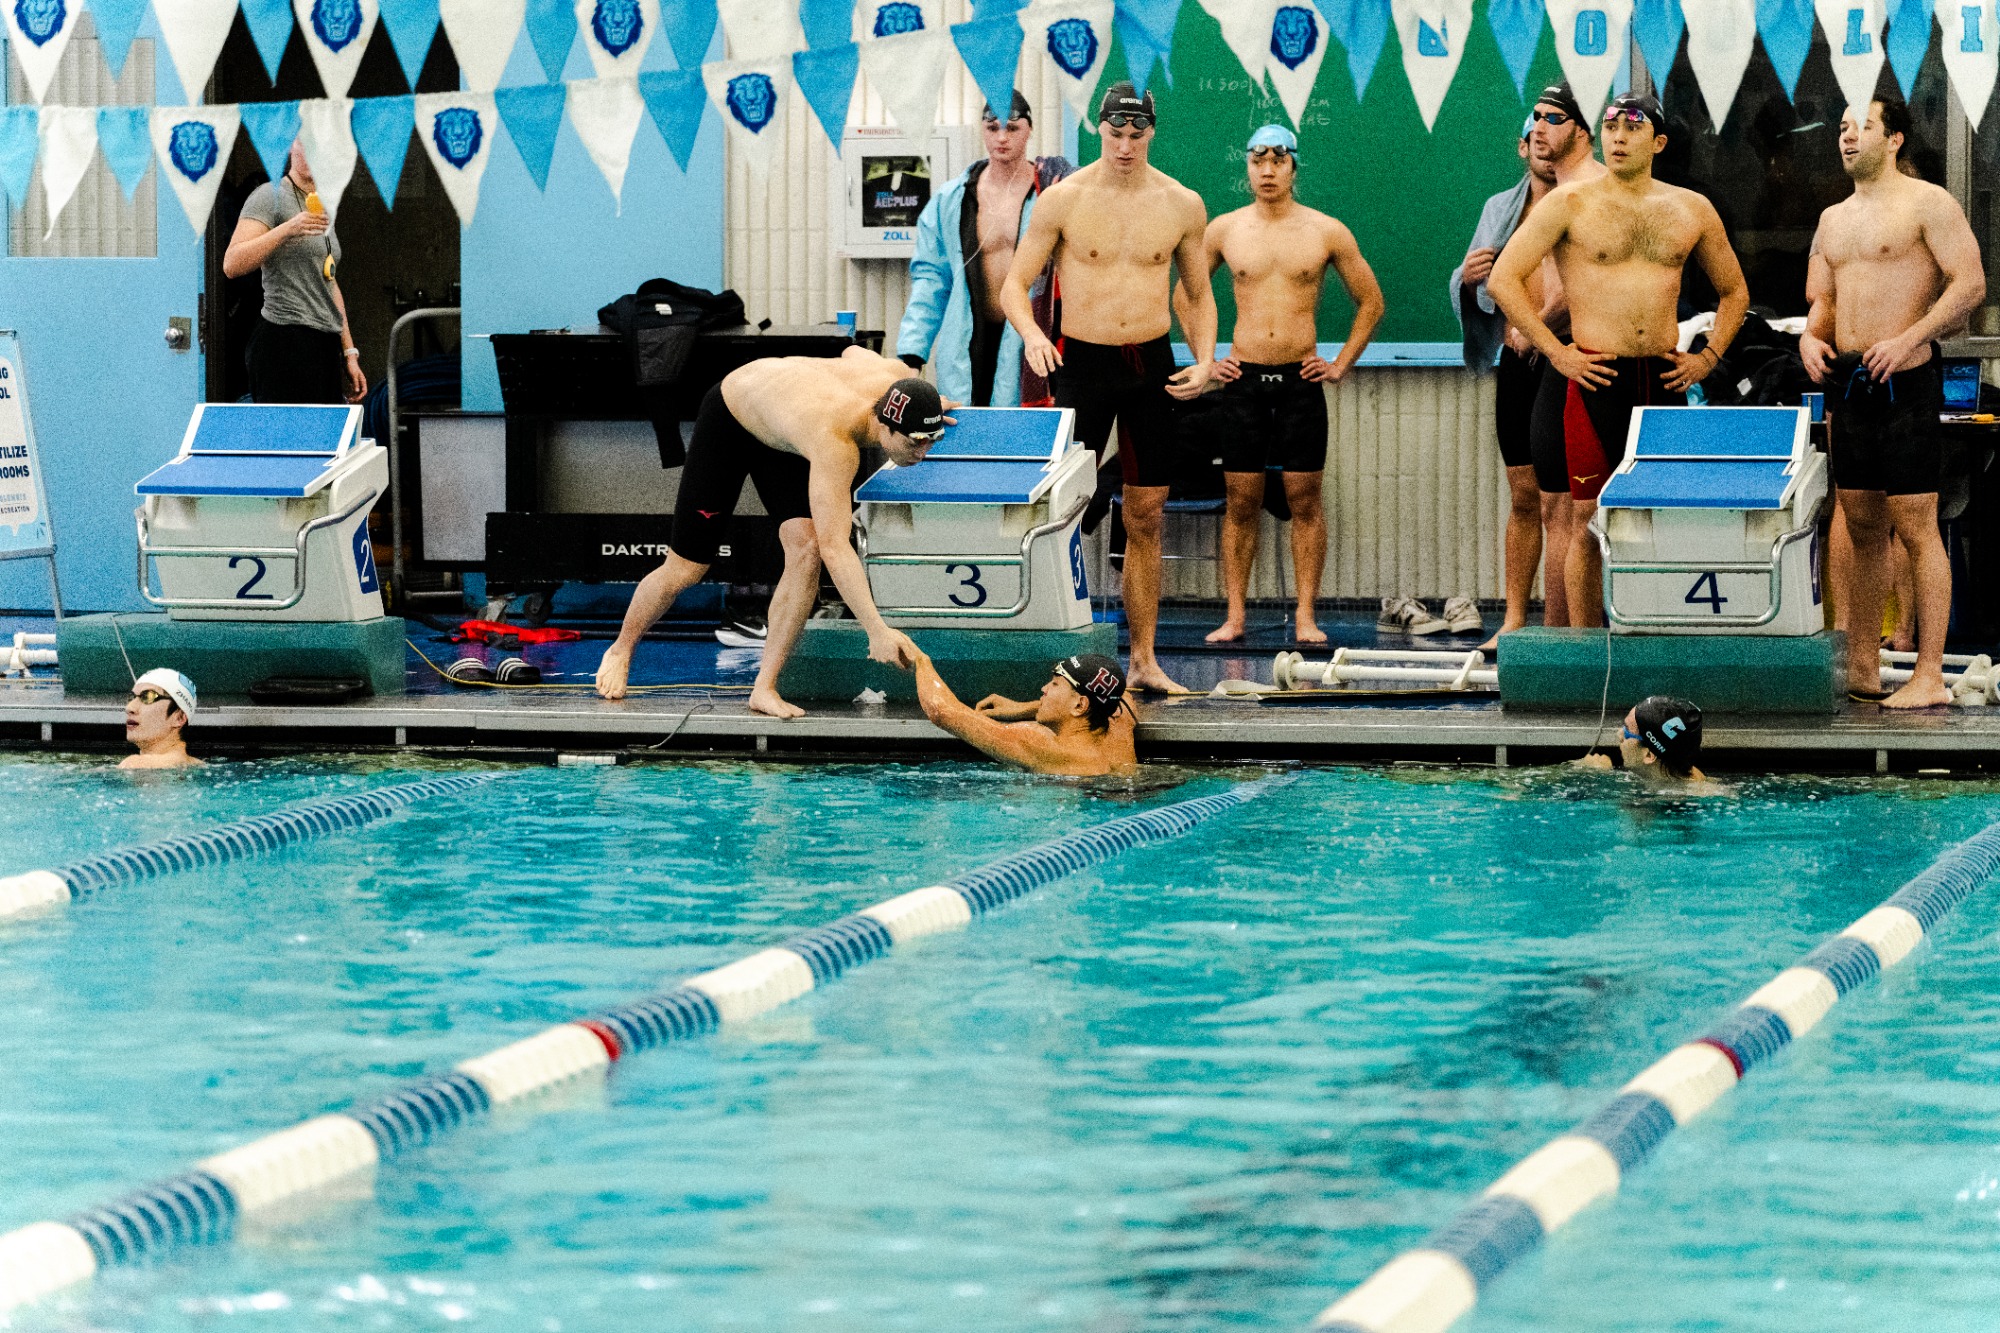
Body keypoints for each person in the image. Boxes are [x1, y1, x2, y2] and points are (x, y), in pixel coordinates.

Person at [1487, 92, 1750, 627]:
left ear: (1657, 142)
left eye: (1632, 127)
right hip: (1595, 377)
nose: (1618, 136)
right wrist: (1557, 352)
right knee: (1588, 518)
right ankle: (1588, 650)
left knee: (1664, 518)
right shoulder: (1570, 204)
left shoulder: (1690, 208)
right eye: (1610, 126)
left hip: (1662, 377)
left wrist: (1708, 359)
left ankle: (1662, 631)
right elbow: (1502, 280)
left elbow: (1735, 293)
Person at [1000, 81, 1218, 695]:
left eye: (1137, 134)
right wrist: (1031, 336)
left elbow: (1198, 295)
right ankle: (1048, 652)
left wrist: (1203, 360)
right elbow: (1015, 285)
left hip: (1151, 365)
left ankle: (1144, 659)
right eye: (1115, 134)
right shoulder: (1063, 200)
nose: (1125, 146)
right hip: (1082, 365)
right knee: (1057, 513)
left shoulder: (1182, 203)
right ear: (1100, 129)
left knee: (1147, 515)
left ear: (1152, 131)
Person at [593, 349, 948, 718]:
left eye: (931, 439)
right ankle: (621, 648)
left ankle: (764, 688)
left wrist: (930, 411)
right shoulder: (837, 445)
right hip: (733, 415)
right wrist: (876, 629)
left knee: (804, 549)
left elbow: (853, 350)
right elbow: (836, 548)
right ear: (886, 425)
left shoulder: (892, 375)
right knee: (686, 568)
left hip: (787, 427)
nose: (923, 452)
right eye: (915, 441)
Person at [1801, 96, 1986, 708]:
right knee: (1859, 524)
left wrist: (1910, 338)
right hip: (1850, 383)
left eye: (1865, 127)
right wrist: (1809, 336)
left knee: (1916, 524)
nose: (1849, 137)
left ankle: (1929, 674)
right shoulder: (1832, 219)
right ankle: (1860, 664)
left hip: (1906, 380)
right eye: (1844, 127)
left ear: (1896, 138)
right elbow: (1822, 300)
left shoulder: (1928, 202)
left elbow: (1971, 283)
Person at [1177, 124, 1384, 645]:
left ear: (1294, 167)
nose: (1267, 171)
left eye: (1278, 160)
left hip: (1299, 381)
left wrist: (1339, 365)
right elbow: (1186, 295)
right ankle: (1235, 616)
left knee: (1305, 500)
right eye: (1258, 160)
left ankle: (1307, 615)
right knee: (1241, 500)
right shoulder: (1224, 229)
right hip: (1243, 380)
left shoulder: (1325, 231)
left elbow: (1371, 302)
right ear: (1247, 165)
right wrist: (1206, 360)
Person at [1454, 85, 1600, 644]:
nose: (1541, 135)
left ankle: (1565, 626)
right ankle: (1517, 618)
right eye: (1533, 125)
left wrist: (1537, 326)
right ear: (1522, 147)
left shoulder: (1584, 197)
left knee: (1567, 503)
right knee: (1525, 498)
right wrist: (1469, 282)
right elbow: (1478, 284)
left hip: (1564, 353)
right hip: (1518, 358)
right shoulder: (1502, 209)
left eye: (1552, 122)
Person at [897, 92, 1073, 407]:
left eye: (1012, 128)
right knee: (965, 431)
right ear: (982, 130)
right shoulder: (950, 200)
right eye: (992, 128)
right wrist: (912, 354)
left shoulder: (1052, 193)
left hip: (1032, 339)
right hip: (967, 340)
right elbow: (930, 279)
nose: (1002, 138)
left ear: (1029, 130)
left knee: (1024, 438)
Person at [222, 141, 367, 405]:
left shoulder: (322, 202)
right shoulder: (270, 196)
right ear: (290, 145)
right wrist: (287, 229)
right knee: (289, 440)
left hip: (323, 343)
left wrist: (350, 352)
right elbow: (232, 264)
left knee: (323, 440)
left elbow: (329, 282)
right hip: (283, 339)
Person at [914, 651, 1137, 775]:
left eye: (1055, 685)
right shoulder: (1118, 735)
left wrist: (919, 660)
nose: (1044, 689)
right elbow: (1123, 696)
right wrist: (1028, 707)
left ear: (1079, 706)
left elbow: (941, 710)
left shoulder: (1040, 744)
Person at [1576, 695, 1707, 783]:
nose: (1619, 734)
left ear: (1649, 755)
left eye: (1627, 731)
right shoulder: (1689, 777)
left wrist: (1593, 774)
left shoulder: (1653, 808)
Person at [122, 668, 202, 770]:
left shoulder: (135, 765)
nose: (129, 708)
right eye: (132, 697)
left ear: (179, 718)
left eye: (147, 696)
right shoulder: (198, 765)